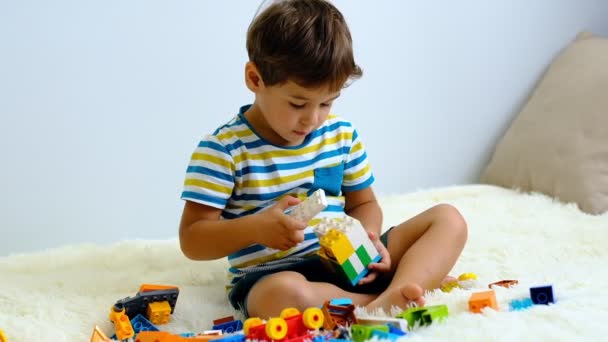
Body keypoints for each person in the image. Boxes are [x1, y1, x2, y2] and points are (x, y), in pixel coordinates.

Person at [179, 0, 467, 319]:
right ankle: (384, 300)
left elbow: (364, 204)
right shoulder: (224, 149)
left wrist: (367, 237)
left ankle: (392, 293)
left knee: (448, 219)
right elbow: (193, 239)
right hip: (273, 275)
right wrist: (255, 229)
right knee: (281, 297)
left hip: (347, 263)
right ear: (255, 79)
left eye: (326, 103)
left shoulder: (340, 134)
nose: (312, 120)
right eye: (298, 104)